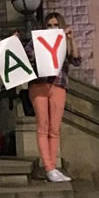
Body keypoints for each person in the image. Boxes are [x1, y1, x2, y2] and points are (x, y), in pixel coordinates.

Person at [23, 12, 81, 183]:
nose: (52, 28)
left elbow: (76, 60)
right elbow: (24, 57)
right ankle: (49, 168)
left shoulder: (64, 41)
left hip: (58, 85)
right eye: (49, 25)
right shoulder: (38, 41)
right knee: (43, 126)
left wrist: (70, 39)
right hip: (39, 85)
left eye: (56, 25)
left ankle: (53, 167)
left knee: (54, 129)